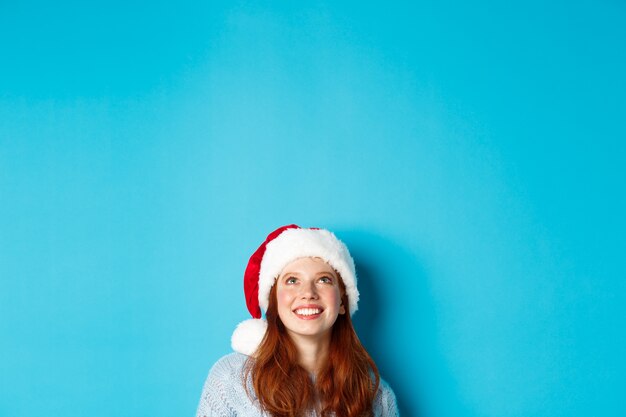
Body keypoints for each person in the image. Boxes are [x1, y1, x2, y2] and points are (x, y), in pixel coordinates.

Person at [195, 224, 399, 416]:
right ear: (274, 301)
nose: (308, 293)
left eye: (323, 280)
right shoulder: (232, 377)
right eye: (292, 281)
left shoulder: (377, 395)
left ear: (343, 303)